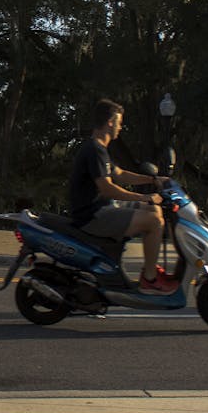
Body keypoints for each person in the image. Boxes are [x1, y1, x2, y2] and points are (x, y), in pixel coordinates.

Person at [68, 99, 175, 293]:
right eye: (119, 122)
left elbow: (120, 174)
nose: (121, 126)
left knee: (154, 210)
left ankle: (148, 268)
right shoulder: (94, 150)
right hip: (93, 216)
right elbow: (107, 188)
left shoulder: (100, 149)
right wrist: (144, 197)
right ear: (110, 122)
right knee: (154, 222)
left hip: (103, 209)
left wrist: (154, 179)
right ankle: (149, 278)